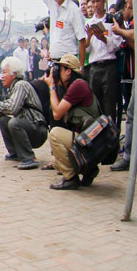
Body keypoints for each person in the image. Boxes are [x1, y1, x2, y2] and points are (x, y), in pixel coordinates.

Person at [44, 55, 102, 189]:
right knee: (56, 161)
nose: (57, 72)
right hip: (88, 141)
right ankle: (89, 170)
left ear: (68, 71)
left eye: (60, 69)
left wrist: (52, 86)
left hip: (91, 143)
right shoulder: (74, 86)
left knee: (54, 134)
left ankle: (71, 178)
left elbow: (57, 114)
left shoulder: (78, 85)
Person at [110, 0, 137, 171]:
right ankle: (129, 156)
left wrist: (120, 31)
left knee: (133, 114)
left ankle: (129, 156)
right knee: (132, 114)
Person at [0, 56, 48, 169]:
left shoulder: (21, 85)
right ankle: (15, 153)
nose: (2, 76)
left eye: (4, 72)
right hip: (30, 128)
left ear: (14, 74)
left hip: (38, 130)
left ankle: (29, 158)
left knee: (14, 123)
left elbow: (13, 108)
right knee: (4, 120)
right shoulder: (12, 88)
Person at [85, 0, 121, 126]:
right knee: (96, 106)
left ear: (104, 1)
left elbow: (117, 45)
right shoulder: (89, 23)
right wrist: (88, 39)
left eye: (98, 1)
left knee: (109, 105)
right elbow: (86, 50)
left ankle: (110, 140)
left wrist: (104, 39)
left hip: (109, 66)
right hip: (94, 68)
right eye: (93, 2)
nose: (95, 5)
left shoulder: (112, 21)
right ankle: (98, 140)